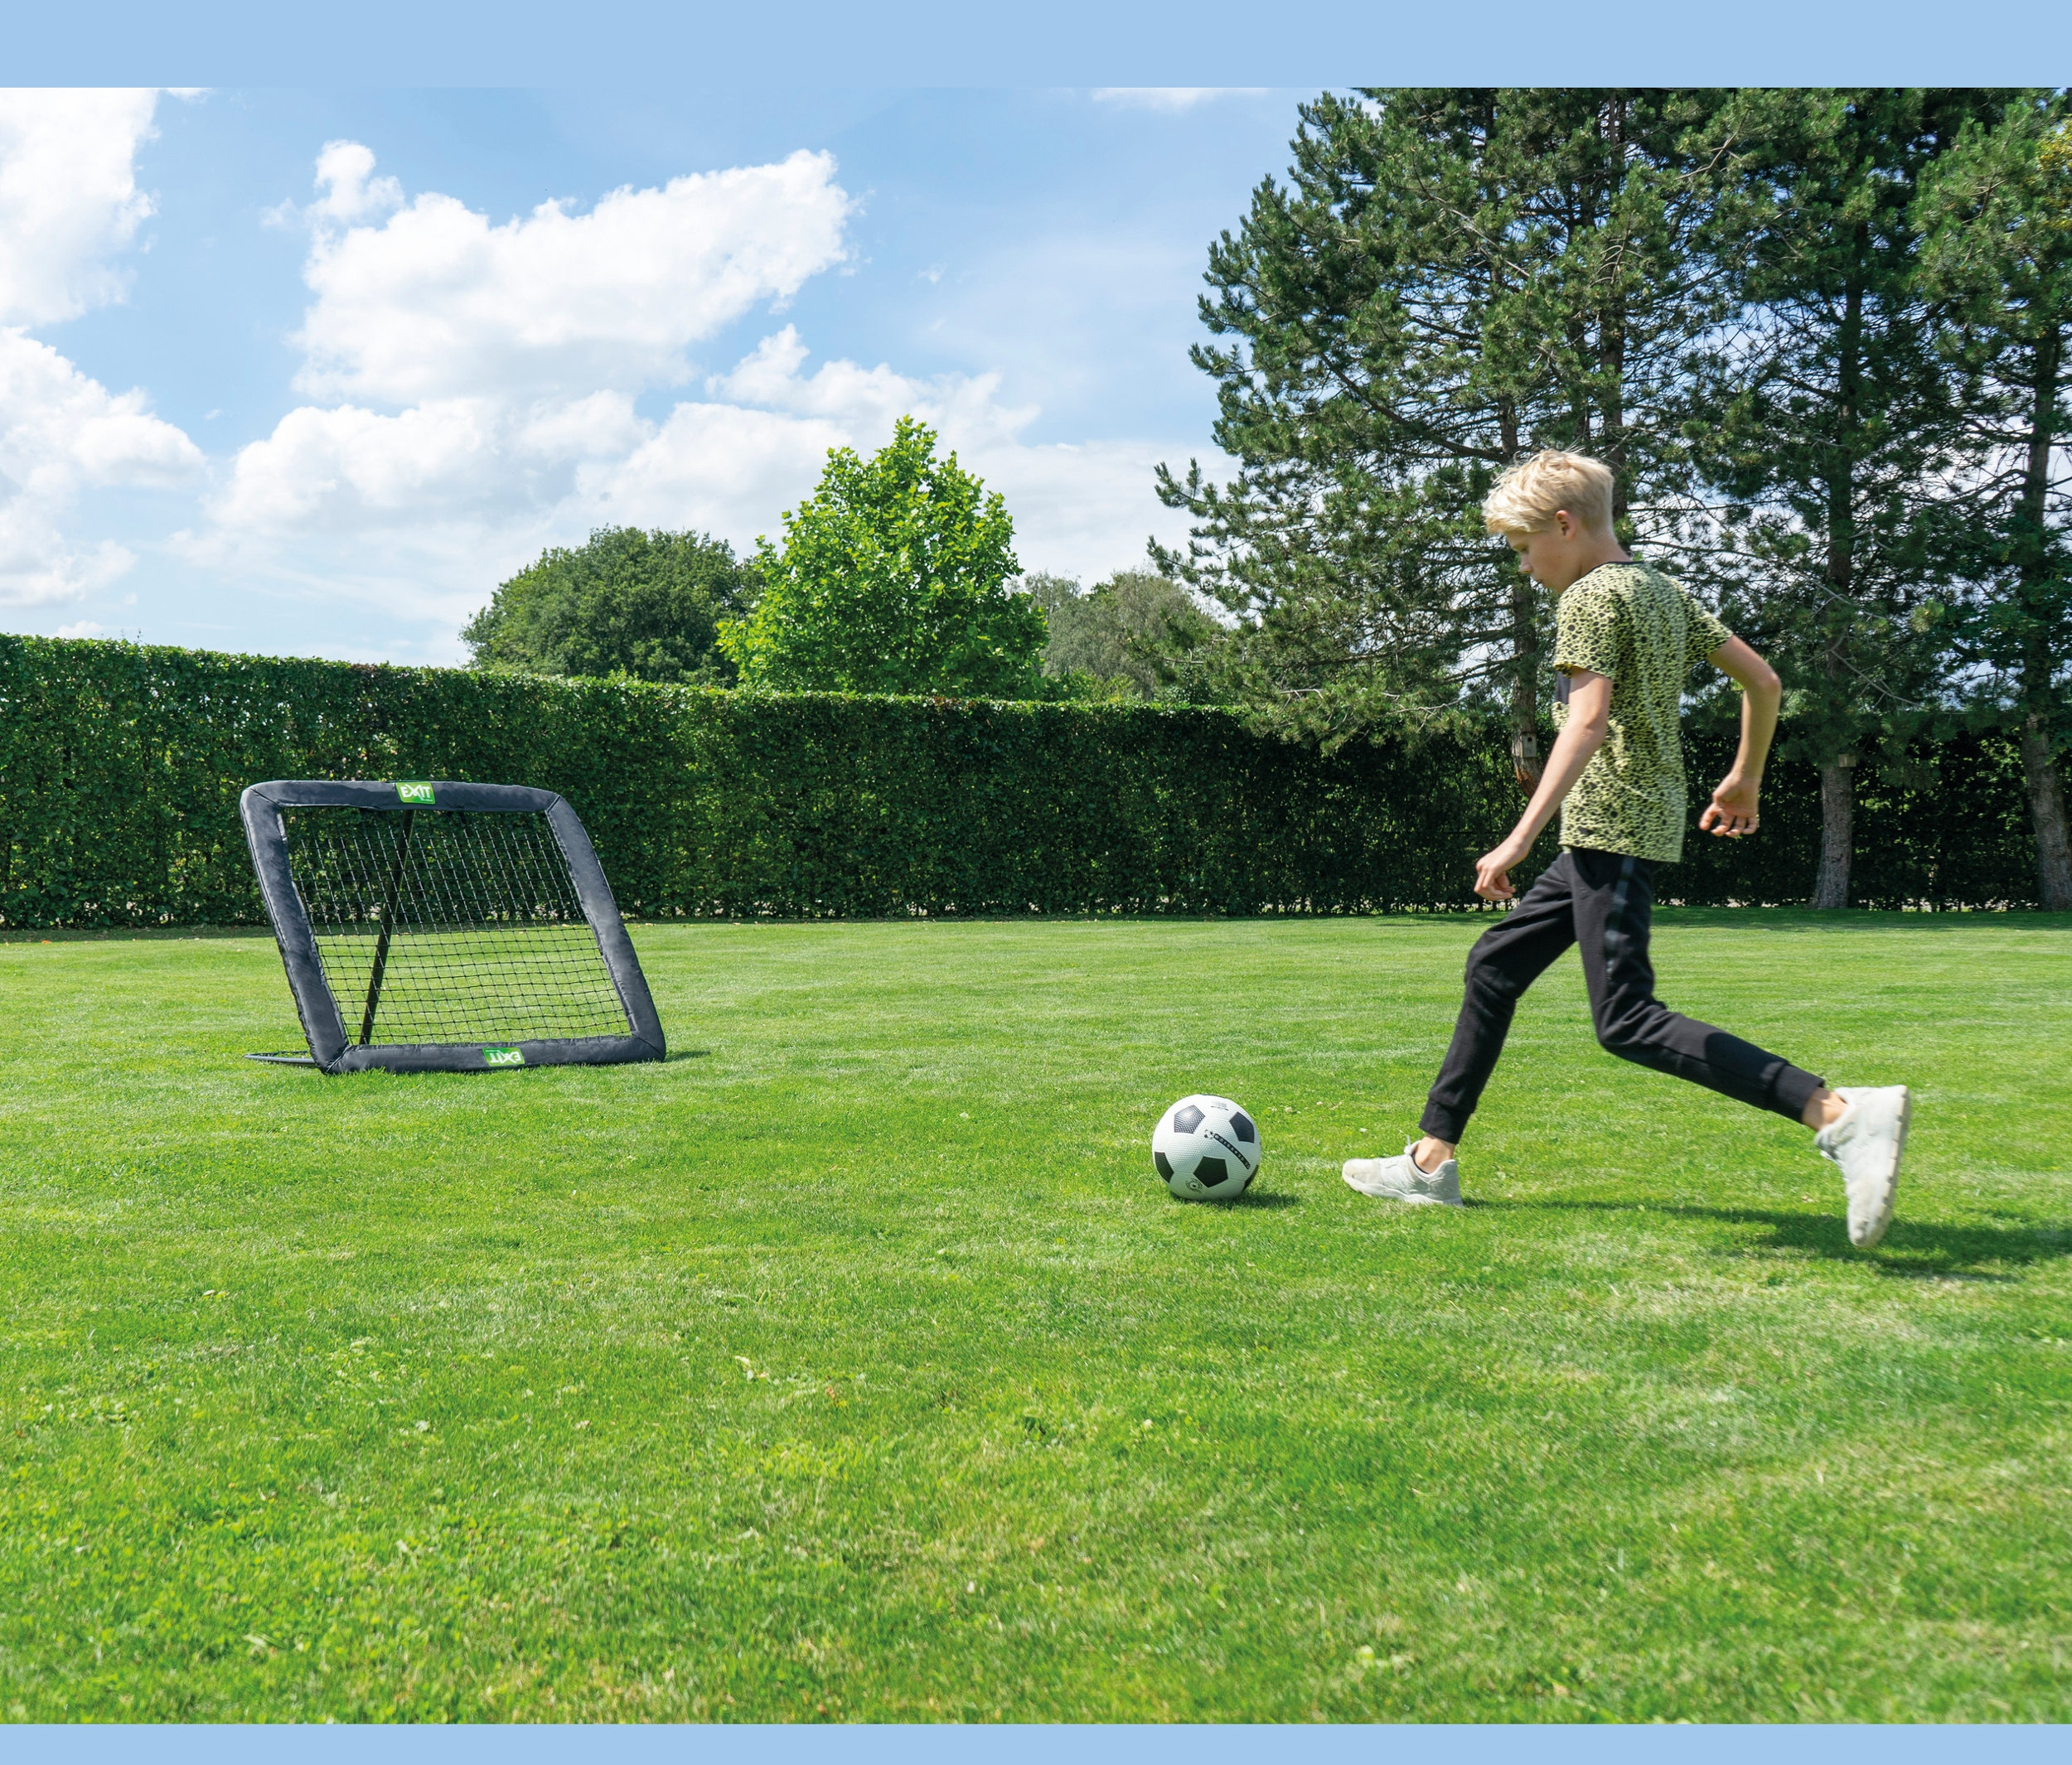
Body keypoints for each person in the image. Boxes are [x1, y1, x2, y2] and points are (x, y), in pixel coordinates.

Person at [1341, 451, 1909, 1248]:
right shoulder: (1662, 592)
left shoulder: (1588, 598)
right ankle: (1432, 1162)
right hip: (1621, 828)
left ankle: (1839, 1114)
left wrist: (1515, 839)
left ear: (1565, 527)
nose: (1525, 564)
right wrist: (1743, 777)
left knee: (1627, 1021)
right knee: (1494, 965)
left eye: (1523, 546)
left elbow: (1586, 723)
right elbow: (1765, 683)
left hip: (1610, 826)